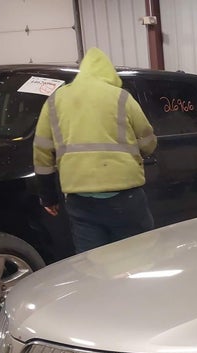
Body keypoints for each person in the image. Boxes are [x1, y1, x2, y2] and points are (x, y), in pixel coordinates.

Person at [33, 47, 158, 253]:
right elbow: (148, 139)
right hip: (124, 195)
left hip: (79, 197)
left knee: (92, 260)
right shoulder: (121, 97)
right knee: (138, 254)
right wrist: (137, 155)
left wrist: (48, 196)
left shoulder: (55, 100)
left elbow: (42, 151)